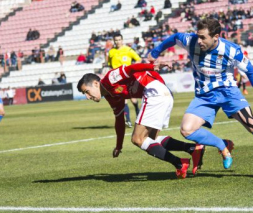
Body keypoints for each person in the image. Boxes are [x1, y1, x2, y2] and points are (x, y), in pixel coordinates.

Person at [148, 18, 253, 177]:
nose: (198, 40)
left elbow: (251, 72)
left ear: (216, 37)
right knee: (186, 130)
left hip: (228, 92)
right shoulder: (191, 40)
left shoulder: (231, 50)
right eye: (198, 36)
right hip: (204, 95)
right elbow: (174, 37)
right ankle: (222, 145)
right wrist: (155, 52)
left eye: (203, 37)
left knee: (252, 124)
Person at [77, 63, 205, 178]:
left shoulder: (109, 79)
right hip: (163, 94)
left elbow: (130, 68)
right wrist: (119, 146)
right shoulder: (112, 97)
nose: (88, 97)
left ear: (95, 83)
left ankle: (179, 163)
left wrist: (152, 66)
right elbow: (120, 121)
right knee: (151, 140)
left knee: (137, 139)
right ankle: (192, 149)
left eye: (87, 92)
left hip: (153, 91)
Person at [108, 34, 141, 128]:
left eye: (119, 40)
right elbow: (110, 65)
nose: (118, 42)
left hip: (128, 78)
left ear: (122, 40)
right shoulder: (111, 52)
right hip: (117, 80)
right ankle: (128, 121)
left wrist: (132, 68)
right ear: (114, 41)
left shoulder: (128, 50)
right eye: (116, 40)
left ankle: (138, 113)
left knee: (133, 100)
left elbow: (138, 59)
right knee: (123, 100)